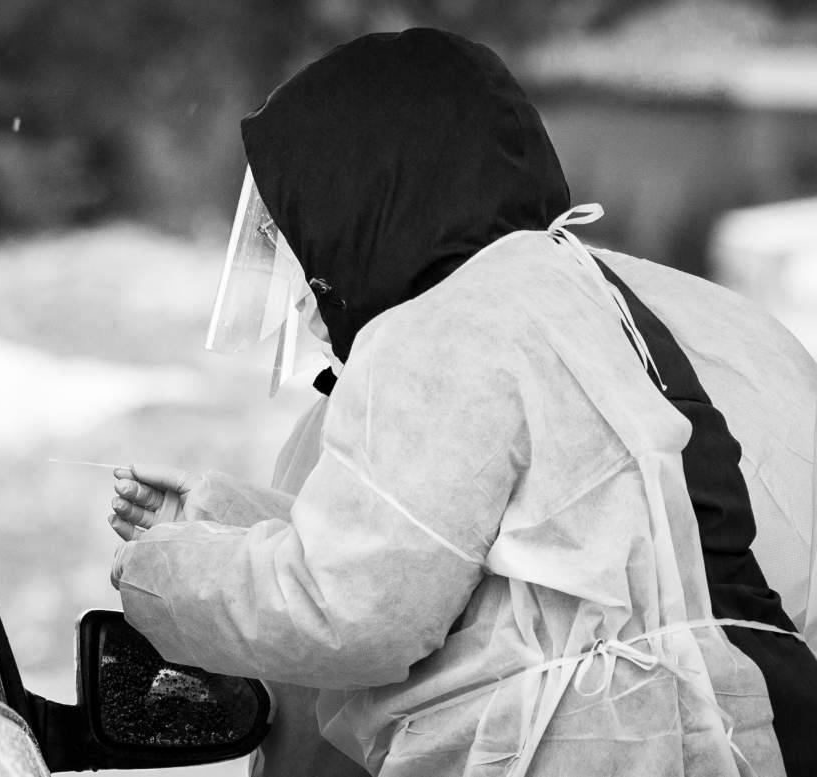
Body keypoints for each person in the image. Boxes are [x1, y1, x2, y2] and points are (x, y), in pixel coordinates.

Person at [105, 28, 817, 777]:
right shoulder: (640, 309)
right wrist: (226, 518)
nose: (312, 292)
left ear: (367, 192)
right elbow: (500, 567)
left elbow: (359, 612)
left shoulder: (441, 330)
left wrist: (166, 575)